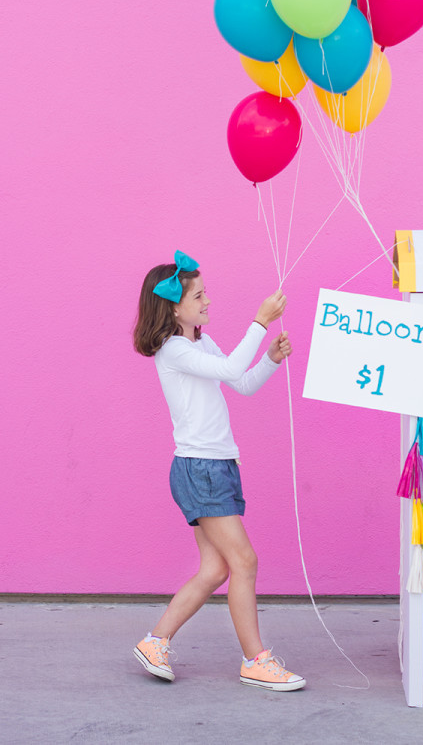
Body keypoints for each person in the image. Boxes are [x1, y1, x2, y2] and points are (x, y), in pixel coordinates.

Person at [132, 250, 305, 691]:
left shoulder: (199, 343)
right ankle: (255, 660)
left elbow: (240, 382)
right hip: (201, 469)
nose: (208, 301)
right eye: (199, 295)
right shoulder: (173, 349)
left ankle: (155, 641)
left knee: (215, 570)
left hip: (215, 467)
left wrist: (269, 359)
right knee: (244, 561)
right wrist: (260, 320)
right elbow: (231, 368)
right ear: (174, 306)